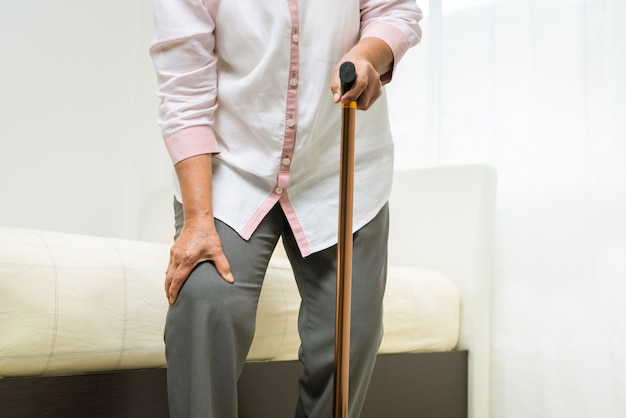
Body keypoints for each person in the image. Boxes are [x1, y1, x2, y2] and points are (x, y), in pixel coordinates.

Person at [150, 1, 422, 416]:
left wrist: (369, 52)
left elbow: (395, 10)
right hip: (232, 165)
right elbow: (183, 87)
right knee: (206, 302)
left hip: (339, 159)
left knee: (351, 335)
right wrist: (199, 219)